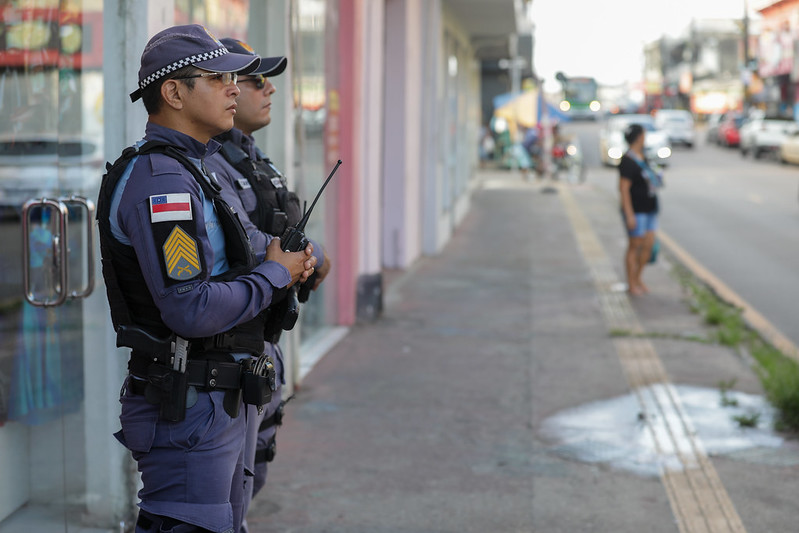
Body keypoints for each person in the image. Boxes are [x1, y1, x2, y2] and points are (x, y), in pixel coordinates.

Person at [95, 24, 317, 533]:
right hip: (191, 406)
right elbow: (190, 308)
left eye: (234, 78)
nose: (233, 88)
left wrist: (292, 258)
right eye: (218, 78)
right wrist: (275, 276)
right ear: (174, 93)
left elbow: (253, 245)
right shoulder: (164, 183)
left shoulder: (198, 169)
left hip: (221, 399)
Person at [203, 38, 332, 532]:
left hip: (263, 341)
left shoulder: (252, 156)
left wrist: (308, 255)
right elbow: (249, 244)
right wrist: (305, 257)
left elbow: (280, 229)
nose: (267, 89)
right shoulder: (207, 163)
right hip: (230, 349)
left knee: (251, 472)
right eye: (255, 80)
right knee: (218, 498)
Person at [619, 123, 662, 296]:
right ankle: (631, 283)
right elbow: (623, 189)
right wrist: (629, 214)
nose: (645, 138)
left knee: (648, 245)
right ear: (638, 137)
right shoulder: (627, 160)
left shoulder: (643, 156)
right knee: (634, 245)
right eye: (643, 135)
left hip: (649, 208)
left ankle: (638, 278)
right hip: (636, 210)